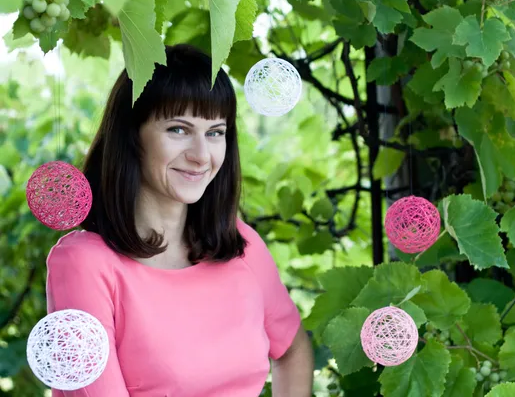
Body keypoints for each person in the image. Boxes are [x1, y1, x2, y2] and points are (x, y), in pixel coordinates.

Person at [45, 44, 314, 396]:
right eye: (178, 130)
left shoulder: (240, 244)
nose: (202, 156)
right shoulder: (83, 263)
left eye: (215, 132)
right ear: (132, 135)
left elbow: (293, 349)